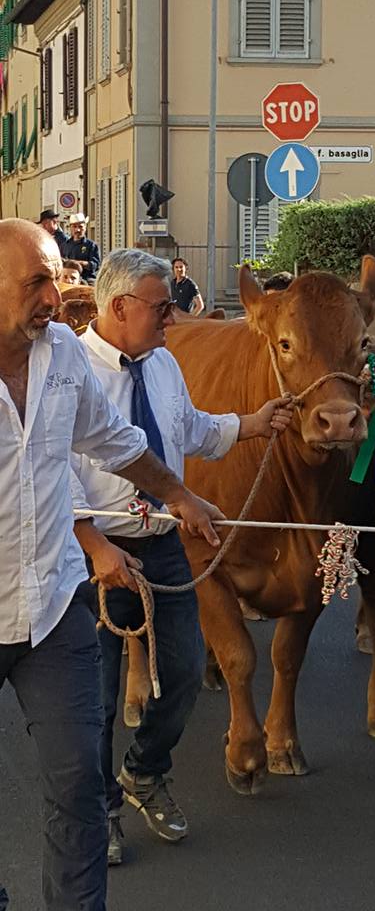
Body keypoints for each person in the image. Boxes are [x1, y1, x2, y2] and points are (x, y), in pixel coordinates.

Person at [0, 218, 229, 911]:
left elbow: (112, 441)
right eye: (36, 282)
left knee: (77, 787)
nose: (55, 296)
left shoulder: (62, 353)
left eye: (58, 276)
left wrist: (181, 493)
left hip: (52, 608)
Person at [70, 248, 294, 867]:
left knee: (187, 670)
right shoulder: (70, 370)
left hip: (162, 543)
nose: (173, 318)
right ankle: (102, 810)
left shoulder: (163, 364)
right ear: (120, 307)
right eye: (161, 307)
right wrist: (95, 546)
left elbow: (188, 428)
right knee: (94, 697)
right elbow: (50, 467)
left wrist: (252, 423)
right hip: (93, 553)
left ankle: (144, 772)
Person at [61, 212, 101, 283]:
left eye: (80, 227)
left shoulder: (91, 245)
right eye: (74, 227)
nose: (77, 230)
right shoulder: (65, 245)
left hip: (86, 279)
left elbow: (95, 265)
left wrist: (80, 263)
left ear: (85, 227)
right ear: (70, 227)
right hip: (67, 280)